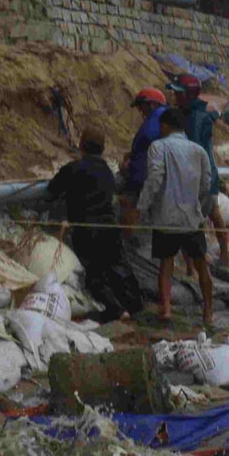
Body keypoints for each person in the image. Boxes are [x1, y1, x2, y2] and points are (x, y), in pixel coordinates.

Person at [45, 127, 141, 323]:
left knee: (94, 277)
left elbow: (52, 190)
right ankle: (135, 306)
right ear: (103, 148)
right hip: (110, 228)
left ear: (81, 145)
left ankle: (115, 310)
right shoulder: (107, 171)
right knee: (118, 268)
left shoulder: (74, 168)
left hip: (87, 230)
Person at [138, 108, 218, 327]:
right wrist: (199, 208)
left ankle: (165, 310)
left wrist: (142, 206)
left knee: (166, 265)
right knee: (202, 266)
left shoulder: (158, 147)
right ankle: (208, 312)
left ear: (165, 126)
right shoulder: (198, 150)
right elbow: (207, 183)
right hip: (192, 218)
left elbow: (155, 178)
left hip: (165, 217)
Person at [169, 74, 229, 265]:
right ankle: (224, 256)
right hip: (208, 172)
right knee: (213, 212)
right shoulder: (196, 112)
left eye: (178, 93)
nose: (175, 97)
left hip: (199, 174)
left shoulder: (194, 117)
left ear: (188, 95)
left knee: (196, 217)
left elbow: (193, 149)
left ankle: (196, 263)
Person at [117, 87, 168, 224]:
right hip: (156, 180)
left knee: (129, 207)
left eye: (141, 106)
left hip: (143, 181)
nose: (141, 111)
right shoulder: (164, 117)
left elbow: (149, 138)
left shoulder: (156, 118)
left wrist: (130, 162)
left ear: (152, 104)